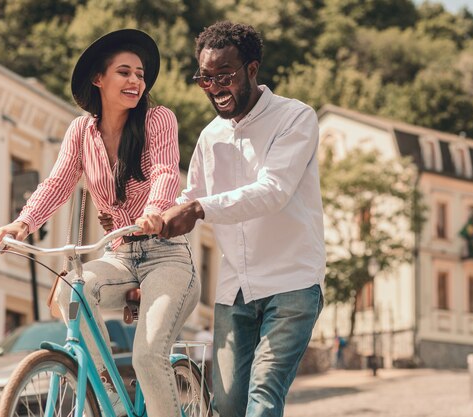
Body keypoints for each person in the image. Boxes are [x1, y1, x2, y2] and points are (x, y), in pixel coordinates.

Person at [0, 29, 199, 417]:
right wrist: (21, 224)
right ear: (98, 78)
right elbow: (57, 182)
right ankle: (113, 398)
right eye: (124, 72)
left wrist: (154, 209)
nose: (135, 81)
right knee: (71, 291)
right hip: (120, 256)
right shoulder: (80, 131)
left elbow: (166, 171)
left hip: (167, 257)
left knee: (149, 353)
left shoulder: (159, 119)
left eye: (140, 74)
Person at [160, 21, 325, 417]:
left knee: (264, 395)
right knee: (229, 406)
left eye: (224, 76)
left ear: (252, 69)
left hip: (292, 282)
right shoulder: (209, 136)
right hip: (234, 288)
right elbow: (189, 196)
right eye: (205, 78)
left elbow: (273, 190)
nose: (215, 87)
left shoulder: (295, 118)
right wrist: (153, 219)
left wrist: (199, 209)